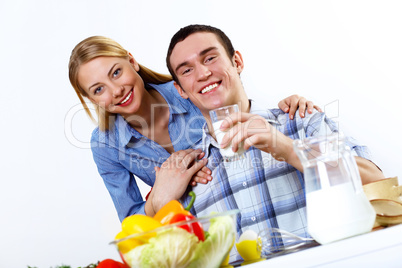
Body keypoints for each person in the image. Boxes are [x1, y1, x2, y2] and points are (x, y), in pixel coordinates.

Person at [150, 24, 385, 262]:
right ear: (180, 90)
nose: (202, 74)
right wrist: (160, 203)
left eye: (210, 58)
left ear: (237, 61)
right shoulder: (187, 173)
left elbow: (377, 182)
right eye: (187, 70)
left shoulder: (300, 123)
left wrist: (289, 149)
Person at [68, 36, 319, 222]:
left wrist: (288, 108)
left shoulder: (187, 88)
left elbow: (240, 109)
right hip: (188, 229)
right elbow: (131, 221)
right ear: (91, 98)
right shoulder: (105, 144)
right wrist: (159, 198)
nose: (116, 91)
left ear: (132, 62)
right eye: (98, 89)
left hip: (246, 206)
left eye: (116, 73)